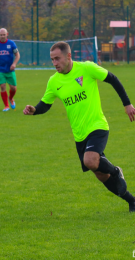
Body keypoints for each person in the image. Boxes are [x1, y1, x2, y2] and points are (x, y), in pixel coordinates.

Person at [23, 41, 135, 212]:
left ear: (68, 56)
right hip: (79, 134)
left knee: (90, 161)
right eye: (52, 60)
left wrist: (127, 104)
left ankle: (116, 171)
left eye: (57, 59)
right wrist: (35, 110)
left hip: (97, 125)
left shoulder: (86, 68)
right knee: (100, 174)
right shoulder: (54, 81)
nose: (55, 63)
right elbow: (45, 104)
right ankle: (132, 201)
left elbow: (113, 79)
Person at [0, 28, 20, 112]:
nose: (2, 36)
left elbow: (17, 55)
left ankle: (11, 98)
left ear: (7, 34)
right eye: (1, 35)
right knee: (2, 86)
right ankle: (6, 106)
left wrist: (14, 64)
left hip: (10, 70)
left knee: (13, 88)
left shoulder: (11, 43)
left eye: (4, 35)